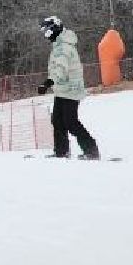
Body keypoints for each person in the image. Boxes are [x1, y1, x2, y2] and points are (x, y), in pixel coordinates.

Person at [37, 16, 101, 160]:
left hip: (70, 90)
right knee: (58, 121)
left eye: (47, 32)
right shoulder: (60, 45)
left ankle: (91, 150)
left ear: (55, 30)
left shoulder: (63, 47)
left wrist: (48, 82)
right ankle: (61, 151)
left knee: (70, 122)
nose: (46, 36)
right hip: (62, 89)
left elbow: (61, 69)